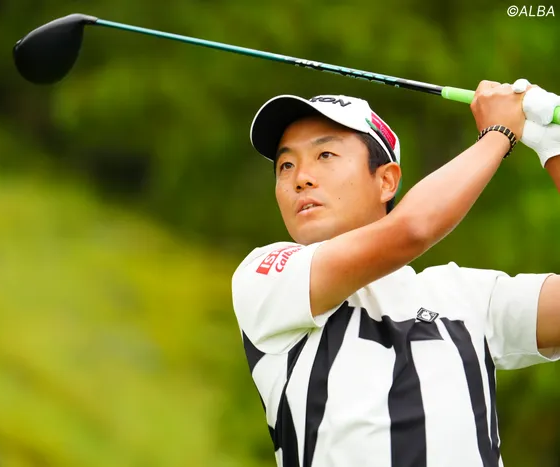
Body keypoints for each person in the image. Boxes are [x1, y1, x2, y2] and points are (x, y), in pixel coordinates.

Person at [230, 79, 560, 467]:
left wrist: (553, 147)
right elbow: (411, 229)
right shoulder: (267, 276)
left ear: (386, 180)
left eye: (325, 155)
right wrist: (500, 132)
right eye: (286, 165)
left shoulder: (469, 295)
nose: (300, 177)